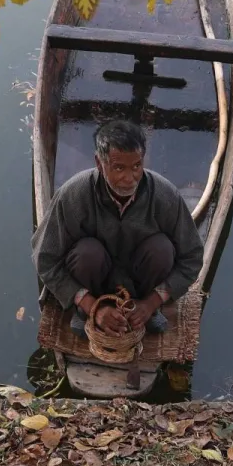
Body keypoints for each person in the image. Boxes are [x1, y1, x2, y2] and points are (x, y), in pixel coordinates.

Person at [33, 119, 204, 337]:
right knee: (87, 252)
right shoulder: (72, 195)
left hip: (141, 286)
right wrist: (91, 305)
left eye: (136, 166)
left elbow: (192, 257)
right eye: (118, 168)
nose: (129, 178)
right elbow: (45, 259)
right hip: (91, 282)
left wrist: (151, 303)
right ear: (99, 163)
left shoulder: (165, 195)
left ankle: (145, 313)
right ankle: (85, 313)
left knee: (162, 248)